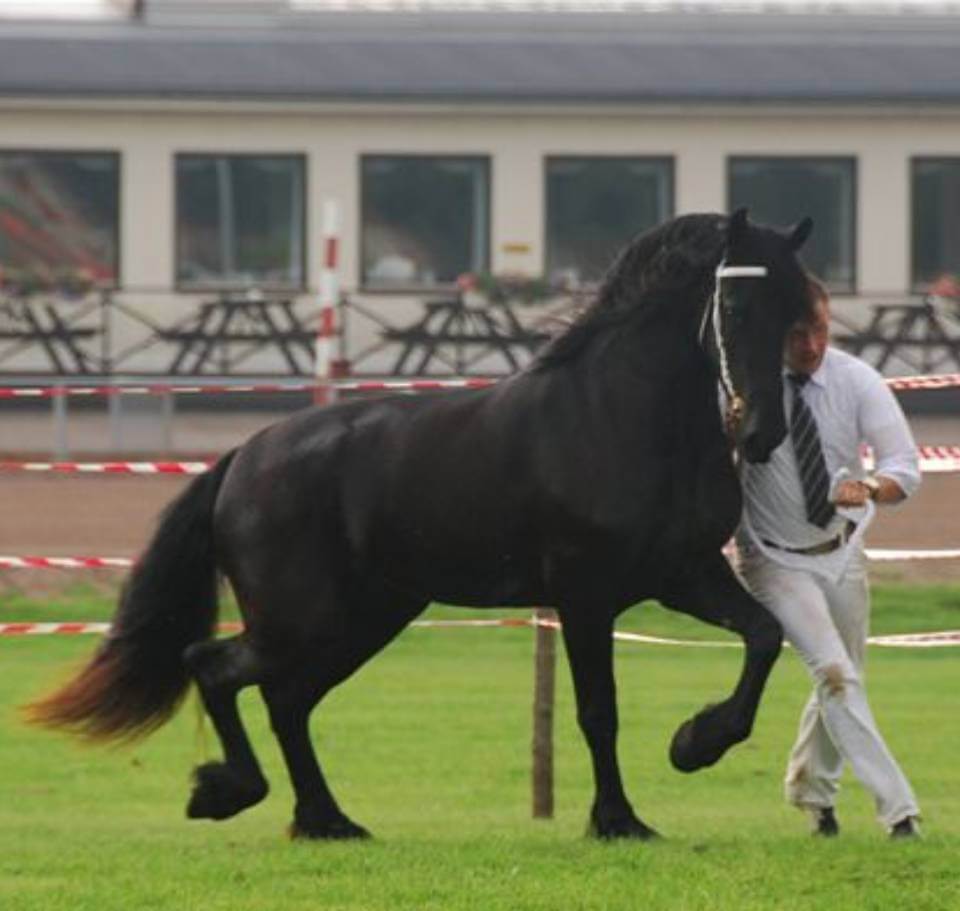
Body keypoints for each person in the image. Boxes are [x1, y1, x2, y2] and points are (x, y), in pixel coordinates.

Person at [734, 274, 922, 839]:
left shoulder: (857, 379)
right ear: (776, 332)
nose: (811, 345)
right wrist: (727, 434)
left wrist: (868, 488)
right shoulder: (742, 386)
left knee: (844, 679)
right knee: (835, 670)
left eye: (818, 329)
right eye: (796, 334)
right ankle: (900, 812)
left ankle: (813, 794)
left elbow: (904, 468)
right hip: (772, 559)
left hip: (842, 551)